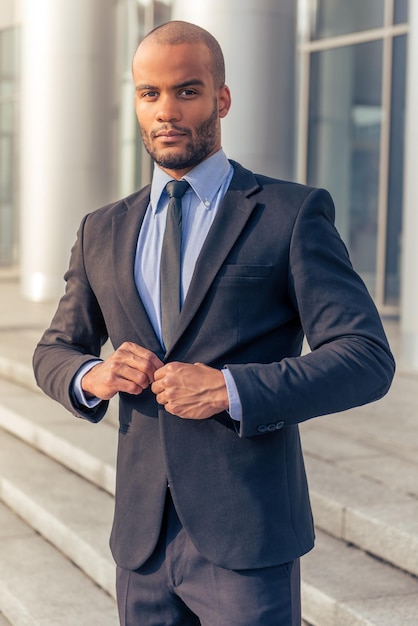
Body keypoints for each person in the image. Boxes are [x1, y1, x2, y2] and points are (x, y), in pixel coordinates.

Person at [33, 20, 395, 626]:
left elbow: (365, 356)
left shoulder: (290, 214)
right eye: (150, 94)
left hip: (247, 537)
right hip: (141, 543)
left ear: (221, 99)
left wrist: (230, 388)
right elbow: (54, 350)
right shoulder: (102, 229)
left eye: (187, 90)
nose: (166, 110)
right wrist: (92, 374)